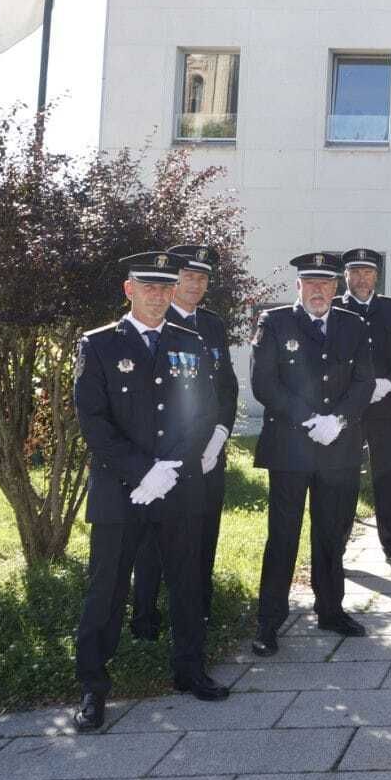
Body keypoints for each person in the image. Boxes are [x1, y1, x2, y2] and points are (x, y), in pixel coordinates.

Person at [73, 251, 228, 731]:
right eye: (149, 287)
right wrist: (143, 471)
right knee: (107, 588)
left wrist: (173, 468)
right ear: (129, 290)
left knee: (186, 582)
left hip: (178, 486)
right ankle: (93, 688)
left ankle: (189, 670)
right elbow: (93, 423)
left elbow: (202, 411)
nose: (159, 296)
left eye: (166, 287)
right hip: (123, 491)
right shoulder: (98, 345)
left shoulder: (191, 342)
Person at [250, 251, 376, 656]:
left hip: (337, 447)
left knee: (330, 534)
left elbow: (363, 381)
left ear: (336, 288)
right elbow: (264, 384)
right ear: (298, 286)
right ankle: (269, 621)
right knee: (282, 536)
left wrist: (336, 420)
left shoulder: (352, 325)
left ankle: (330, 609)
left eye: (326, 283)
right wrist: (309, 419)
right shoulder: (274, 323)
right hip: (290, 447)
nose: (319, 290)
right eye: (311, 283)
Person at [129, 243, 237, 640]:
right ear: (173, 281)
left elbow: (225, 386)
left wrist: (220, 436)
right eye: (188, 277)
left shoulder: (212, 325)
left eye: (202, 278)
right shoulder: (152, 322)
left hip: (208, 453)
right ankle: (144, 618)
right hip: (164, 456)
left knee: (204, 532)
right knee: (152, 541)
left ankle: (199, 611)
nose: (195, 285)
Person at [339, 247, 391, 571]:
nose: (362, 278)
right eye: (356, 272)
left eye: (368, 272)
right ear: (346, 277)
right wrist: (359, 389)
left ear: (376, 276)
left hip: (385, 406)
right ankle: (336, 545)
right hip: (347, 409)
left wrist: (390, 383)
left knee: (387, 476)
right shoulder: (336, 311)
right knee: (343, 475)